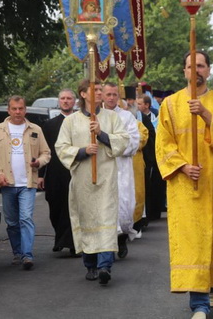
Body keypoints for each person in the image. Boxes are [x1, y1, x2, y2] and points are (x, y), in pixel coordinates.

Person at [155, 50, 213, 319]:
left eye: (201, 66)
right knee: (192, 242)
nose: (196, 71)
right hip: (185, 187)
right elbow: (163, 145)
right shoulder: (169, 105)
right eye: (191, 66)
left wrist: (204, 114)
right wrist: (182, 165)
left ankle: (212, 286)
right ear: (184, 71)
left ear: (209, 70)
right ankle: (199, 304)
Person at [55, 79, 130, 286]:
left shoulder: (112, 117)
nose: (98, 93)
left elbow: (123, 141)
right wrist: (82, 151)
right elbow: (61, 147)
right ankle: (90, 264)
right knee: (87, 220)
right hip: (83, 180)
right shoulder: (70, 121)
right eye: (94, 90)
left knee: (106, 219)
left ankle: (105, 265)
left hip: (105, 178)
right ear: (83, 94)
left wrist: (101, 134)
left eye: (100, 90)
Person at [0, 95, 51, 270]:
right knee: (13, 222)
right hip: (7, 184)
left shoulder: (35, 129)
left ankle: (27, 255)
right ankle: (17, 252)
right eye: (14, 109)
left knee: (26, 218)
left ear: (25, 110)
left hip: (28, 184)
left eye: (20, 108)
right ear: (9, 110)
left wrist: (39, 162)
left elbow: (46, 153)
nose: (17, 112)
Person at [102, 82, 141, 256]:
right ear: (102, 95)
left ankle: (121, 237)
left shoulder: (127, 117)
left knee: (124, 206)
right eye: (108, 94)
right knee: (104, 208)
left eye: (114, 95)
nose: (111, 98)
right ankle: (107, 247)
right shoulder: (96, 116)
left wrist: (111, 143)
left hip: (121, 168)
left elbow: (133, 142)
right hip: (102, 168)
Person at [39, 89, 78, 255]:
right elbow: (43, 151)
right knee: (55, 205)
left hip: (75, 170)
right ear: (59, 101)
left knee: (73, 208)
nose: (66, 101)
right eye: (63, 98)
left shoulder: (80, 122)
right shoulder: (49, 125)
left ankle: (71, 242)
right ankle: (60, 237)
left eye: (69, 98)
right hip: (55, 172)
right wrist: (41, 175)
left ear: (74, 101)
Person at [137, 93, 166, 222]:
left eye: (139, 103)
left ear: (147, 105)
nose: (137, 106)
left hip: (149, 155)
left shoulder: (152, 117)